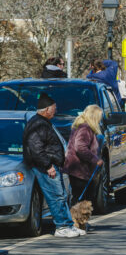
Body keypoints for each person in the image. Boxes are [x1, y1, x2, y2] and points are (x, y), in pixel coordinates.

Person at [23, 93, 84, 237]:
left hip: (52, 165)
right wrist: (48, 166)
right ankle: (62, 227)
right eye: (54, 108)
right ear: (47, 109)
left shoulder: (43, 122)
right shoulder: (37, 124)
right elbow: (36, 148)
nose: (56, 110)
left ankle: (68, 225)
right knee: (56, 196)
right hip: (46, 167)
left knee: (61, 195)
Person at [65, 104, 103, 204]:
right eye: (99, 117)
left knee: (81, 197)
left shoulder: (81, 127)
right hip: (79, 169)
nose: (100, 120)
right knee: (81, 198)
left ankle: (79, 217)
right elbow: (80, 147)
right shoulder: (85, 128)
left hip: (78, 168)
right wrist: (95, 159)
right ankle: (77, 218)